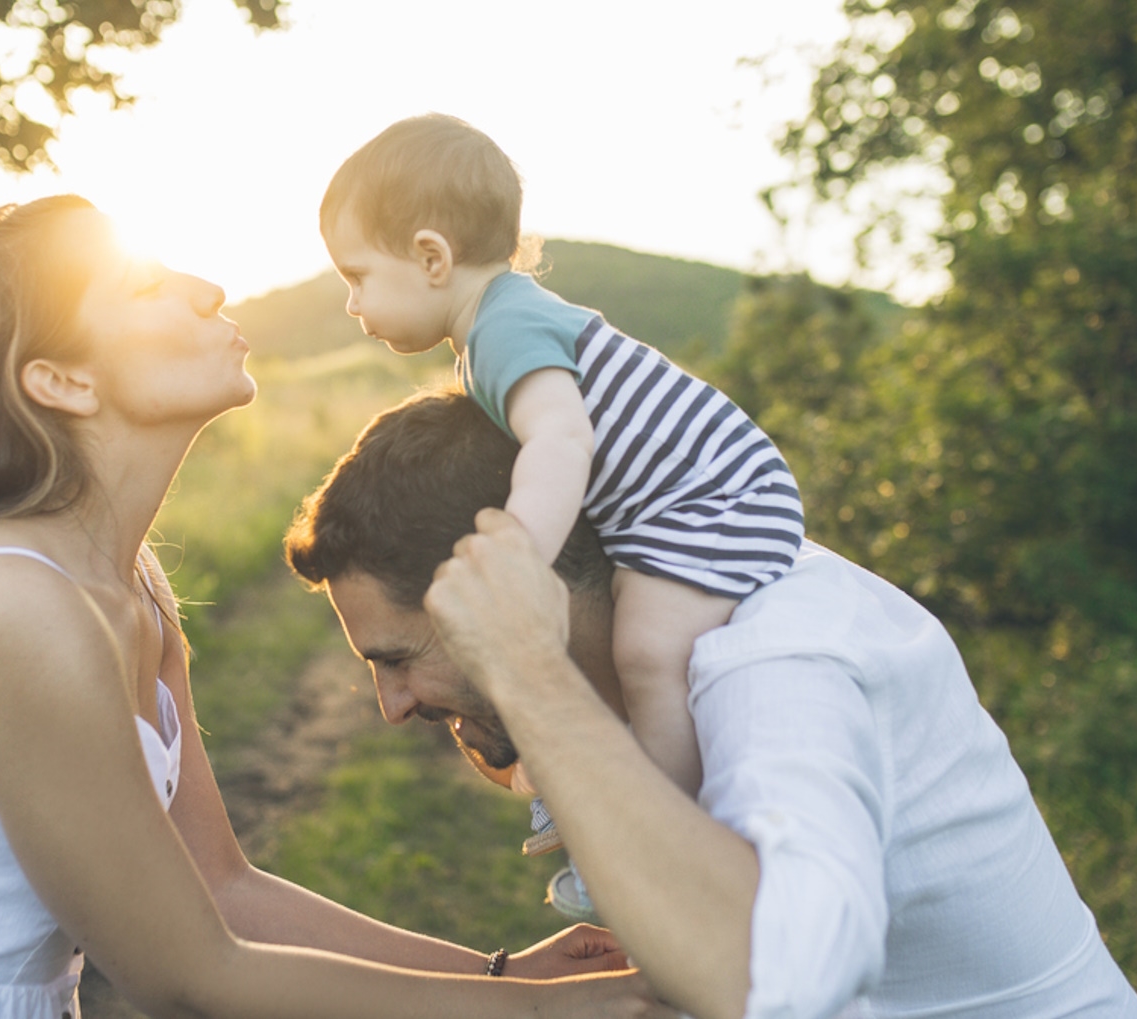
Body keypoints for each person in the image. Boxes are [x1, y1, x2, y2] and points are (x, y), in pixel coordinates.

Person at [0, 196, 672, 1019]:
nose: (208, 290)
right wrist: (534, 1012)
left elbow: (221, 889)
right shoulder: (12, 608)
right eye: (144, 288)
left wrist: (499, 972)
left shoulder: (130, 586)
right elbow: (186, 976)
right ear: (61, 380)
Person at [284, 389, 1137, 1019]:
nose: (390, 706)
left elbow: (773, 982)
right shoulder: (649, 644)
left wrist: (526, 674)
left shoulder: (777, 653)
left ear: (519, 593)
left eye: (397, 659)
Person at [318, 114, 805, 833]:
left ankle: (657, 830)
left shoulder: (503, 329)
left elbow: (560, 436)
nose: (353, 304)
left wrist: (518, 551)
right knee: (636, 649)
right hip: (696, 495)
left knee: (646, 651)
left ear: (430, 257)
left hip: (715, 499)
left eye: (357, 276)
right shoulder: (491, 333)